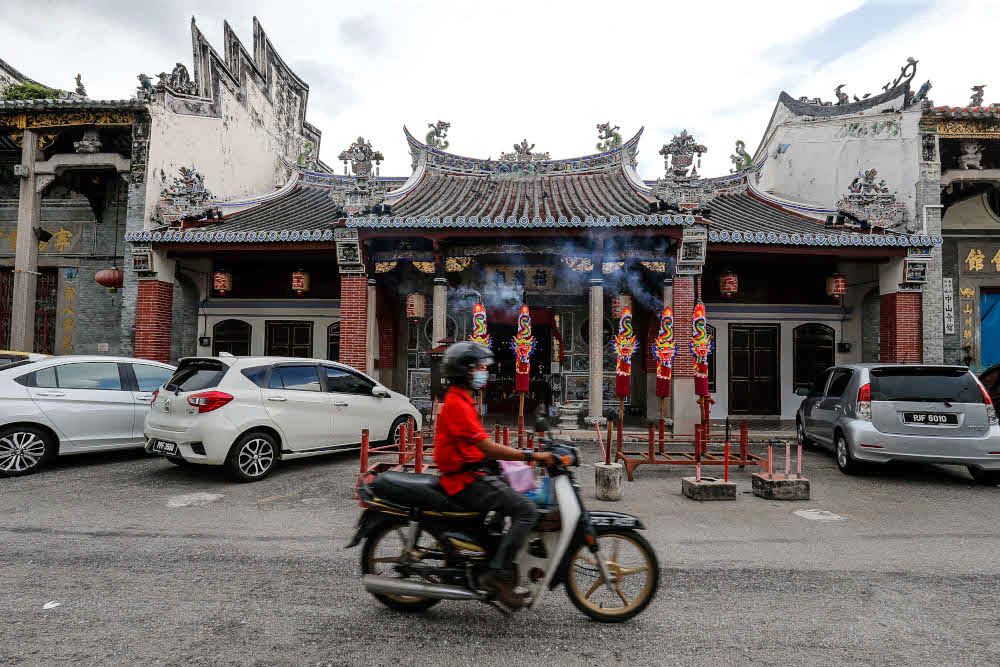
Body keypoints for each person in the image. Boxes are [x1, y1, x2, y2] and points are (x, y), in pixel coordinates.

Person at [434, 341, 555, 608]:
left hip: (472, 472)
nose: (483, 372)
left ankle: (492, 547)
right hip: (463, 480)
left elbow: (481, 446)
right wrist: (530, 456)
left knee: (513, 489)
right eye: (478, 367)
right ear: (465, 371)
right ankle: (498, 574)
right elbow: (487, 447)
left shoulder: (463, 399)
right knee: (526, 510)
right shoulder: (457, 404)